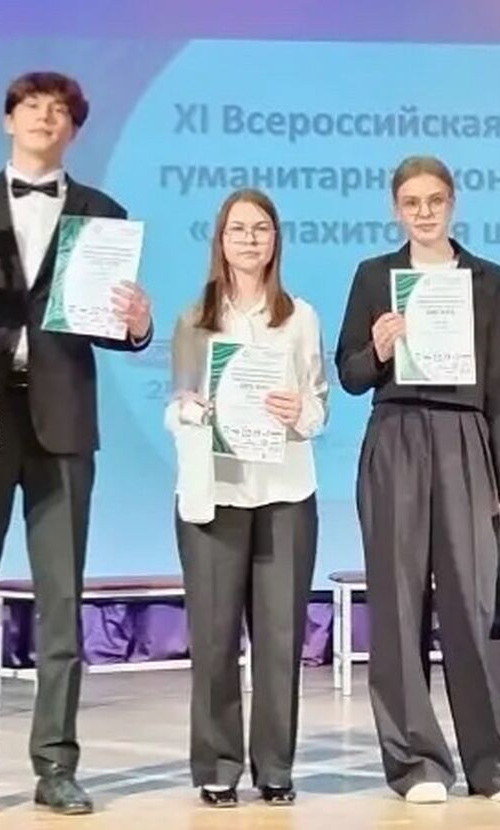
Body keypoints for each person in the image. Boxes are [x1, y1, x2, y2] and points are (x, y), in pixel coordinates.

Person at [0, 71, 153, 818]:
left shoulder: (102, 213)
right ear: (8, 120)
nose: (44, 120)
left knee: (61, 602)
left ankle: (56, 764)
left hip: (62, 424)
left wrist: (138, 324)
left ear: (73, 131)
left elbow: (110, 329)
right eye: (32, 108)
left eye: (58, 113)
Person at [335, 155, 500, 804]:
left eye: (435, 200)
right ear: (396, 209)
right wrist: (379, 349)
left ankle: (493, 765)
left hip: (466, 439)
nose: (424, 212)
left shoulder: (489, 280)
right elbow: (350, 373)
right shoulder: (374, 276)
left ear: (452, 203)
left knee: (474, 603)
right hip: (395, 436)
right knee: (397, 603)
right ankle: (416, 763)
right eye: (411, 202)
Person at [170, 188, 327, 808]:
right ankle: (217, 765)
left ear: (275, 241)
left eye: (261, 229)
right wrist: (192, 410)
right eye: (238, 229)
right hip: (215, 494)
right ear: (221, 240)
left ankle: (276, 766)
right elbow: (176, 406)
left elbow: (318, 404)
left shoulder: (301, 317)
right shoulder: (194, 319)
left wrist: (300, 412)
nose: (250, 239)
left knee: (280, 637)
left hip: (286, 491)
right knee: (213, 638)